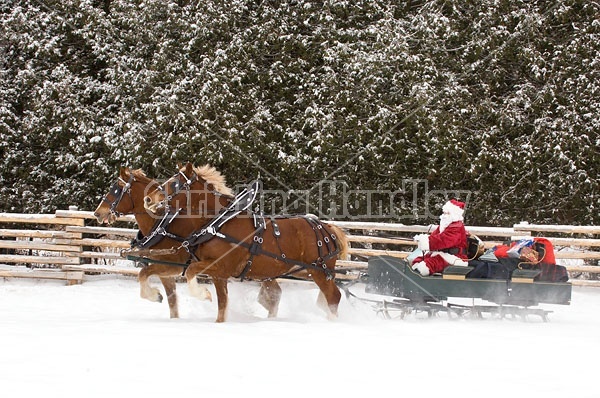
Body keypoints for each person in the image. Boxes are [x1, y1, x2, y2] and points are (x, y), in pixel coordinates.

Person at [411, 199, 468, 276]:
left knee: (429, 264)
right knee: (418, 260)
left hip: (455, 257)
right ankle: (411, 274)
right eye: (443, 213)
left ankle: (418, 278)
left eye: (447, 213)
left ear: (454, 215)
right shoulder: (445, 224)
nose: (444, 215)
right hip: (443, 253)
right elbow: (435, 236)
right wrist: (424, 239)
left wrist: (428, 242)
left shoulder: (457, 227)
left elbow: (444, 240)